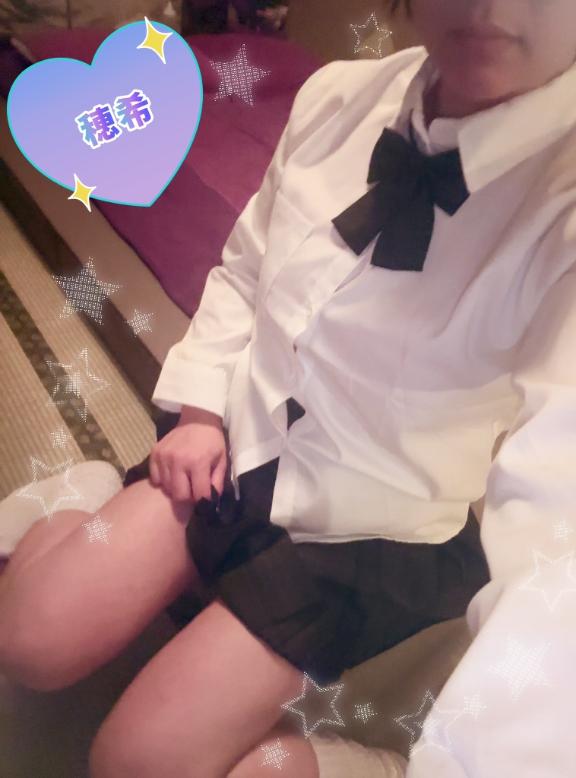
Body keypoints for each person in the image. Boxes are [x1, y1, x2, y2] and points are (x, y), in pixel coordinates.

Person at [2, 0, 576, 775]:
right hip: (230, 449)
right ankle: (83, 492)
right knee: (27, 640)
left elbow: (556, 505)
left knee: (137, 762)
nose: (486, 5)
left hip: (361, 537)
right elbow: (243, 270)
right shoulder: (338, 95)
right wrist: (199, 412)